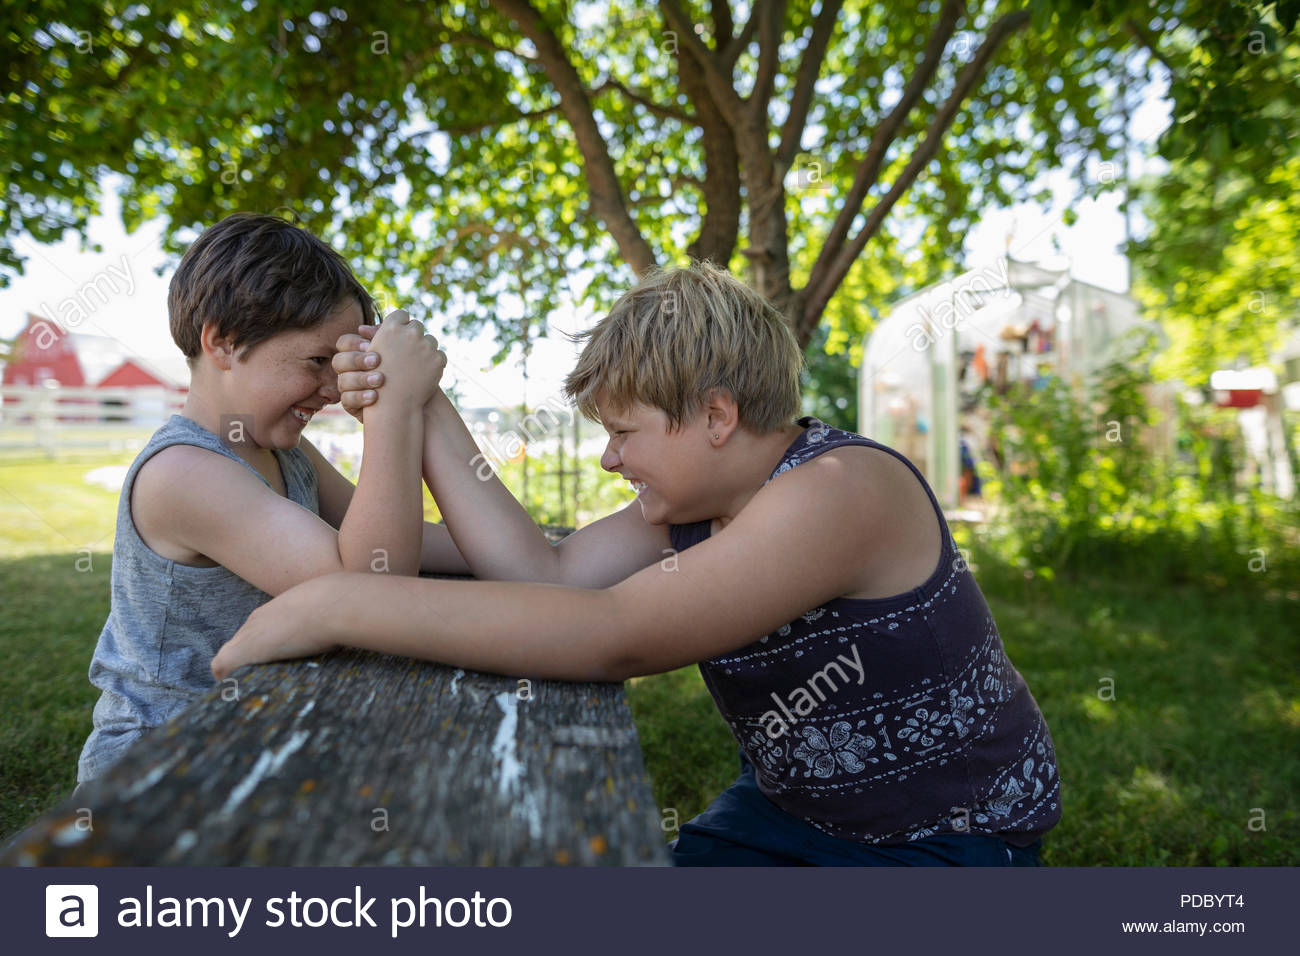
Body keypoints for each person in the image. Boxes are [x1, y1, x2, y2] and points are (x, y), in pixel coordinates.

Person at [212, 262, 1060, 865]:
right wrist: (422, 397)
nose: (612, 461)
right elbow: (545, 574)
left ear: (717, 416)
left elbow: (616, 634)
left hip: (945, 840)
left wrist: (330, 606)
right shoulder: (700, 504)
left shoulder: (840, 490)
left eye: (625, 433)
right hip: (791, 811)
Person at [76, 212, 464, 785]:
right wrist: (394, 412)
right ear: (223, 341)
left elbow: (390, 538)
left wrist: (530, 556)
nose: (334, 390)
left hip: (263, 723)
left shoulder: (284, 451)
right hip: (166, 762)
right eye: (317, 362)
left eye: (340, 366)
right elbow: (367, 578)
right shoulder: (183, 472)